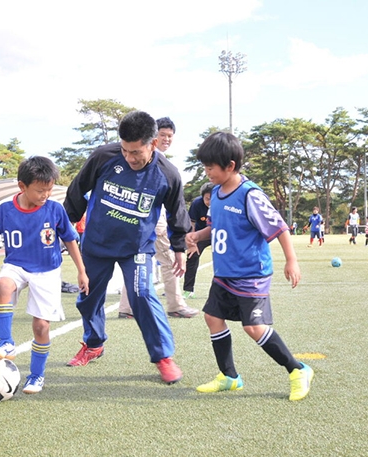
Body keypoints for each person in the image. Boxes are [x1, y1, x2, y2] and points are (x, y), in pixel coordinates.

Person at [63, 111, 191, 384]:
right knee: (88, 299)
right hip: (96, 243)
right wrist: (65, 226)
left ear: (153, 144)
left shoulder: (168, 174)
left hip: (137, 247)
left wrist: (179, 247)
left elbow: (177, 211)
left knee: (141, 294)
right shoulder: (103, 157)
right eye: (124, 150)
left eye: (136, 152)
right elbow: (77, 190)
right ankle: (94, 344)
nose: (129, 157)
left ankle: (163, 357)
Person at [185, 131, 313, 401]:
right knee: (212, 318)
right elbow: (217, 226)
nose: (207, 172)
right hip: (224, 274)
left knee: (253, 328)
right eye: (204, 167)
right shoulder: (217, 193)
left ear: (230, 166)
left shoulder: (250, 195)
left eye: (211, 167)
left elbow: (279, 227)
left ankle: (298, 370)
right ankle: (230, 377)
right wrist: (198, 235)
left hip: (250, 275)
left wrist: (292, 260)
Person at [0, 156, 88, 395]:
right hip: (16, 264)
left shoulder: (55, 209)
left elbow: (70, 240)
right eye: (40, 191)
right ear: (22, 186)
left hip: (47, 270)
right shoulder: (5, 209)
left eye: (49, 190)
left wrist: (81, 271)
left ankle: (36, 376)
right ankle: (6, 342)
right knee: (3, 284)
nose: (45, 195)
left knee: (40, 327)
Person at [118, 117, 198, 319]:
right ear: (153, 137)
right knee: (170, 260)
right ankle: (176, 304)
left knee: (135, 261)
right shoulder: (152, 158)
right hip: (154, 219)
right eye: (162, 135)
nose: (167, 139)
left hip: (142, 218)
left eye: (170, 136)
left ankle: (127, 308)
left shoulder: (156, 159)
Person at [182, 182, 214, 298]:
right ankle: (188, 290)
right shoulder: (197, 203)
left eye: (213, 198)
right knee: (192, 256)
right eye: (207, 199)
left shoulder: (222, 203)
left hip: (218, 235)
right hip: (201, 235)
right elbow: (192, 223)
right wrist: (192, 242)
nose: (210, 202)